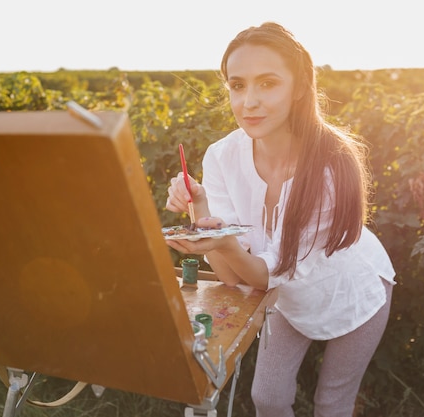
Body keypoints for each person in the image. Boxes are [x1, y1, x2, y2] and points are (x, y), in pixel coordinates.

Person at [165, 22, 396, 416]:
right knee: (268, 399)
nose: (248, 102)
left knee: (331, 404)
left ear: (300, 87)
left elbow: (268, 271)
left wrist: (223, 240)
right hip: (285, 296)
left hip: (352, 290)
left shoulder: (331, 166)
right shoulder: (222, 157)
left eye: (267, 83)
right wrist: (199, 210)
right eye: (237, 85)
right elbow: (234, 275)